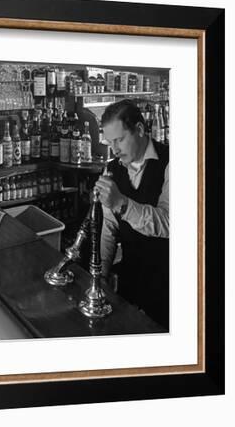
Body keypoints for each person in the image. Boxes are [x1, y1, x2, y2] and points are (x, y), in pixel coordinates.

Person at [94, 99, 169, 329]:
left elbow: (170, 223)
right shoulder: (112, 169)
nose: (114, 149)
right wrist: (101, 277)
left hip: (168, 282)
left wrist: (123, 204)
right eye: (110, 142)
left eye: (119, 140)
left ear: (138, 129)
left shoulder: (171, 162)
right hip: (129, 279)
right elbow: (108, 229)